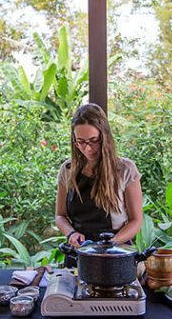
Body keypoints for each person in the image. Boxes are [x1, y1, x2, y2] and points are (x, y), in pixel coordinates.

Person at [55, 103, 143, 255]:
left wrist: (110, 244)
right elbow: (60, 215)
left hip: (116, 252)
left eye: (93, 140)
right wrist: (71, 233)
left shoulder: (125, 170)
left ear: (105, 137)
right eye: (81, 142)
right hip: (79, 252)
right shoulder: (67, 170)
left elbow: (136, 221)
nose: (87, 148)